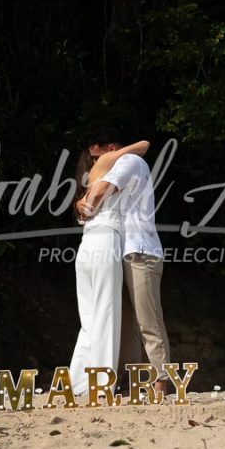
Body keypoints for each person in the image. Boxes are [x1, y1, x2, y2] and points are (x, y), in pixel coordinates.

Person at [80, 128, 171, 395]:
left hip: (140, 250)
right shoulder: (122, 162)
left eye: (97, 158)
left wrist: (84, 206)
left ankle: (162, 380)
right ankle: (131, 380)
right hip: (121, 252)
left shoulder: (128, 162)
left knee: (148, 319)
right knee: (127, 323)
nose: (95, 165)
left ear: (110, 149)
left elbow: (100, 194)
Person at [68, 137, 150, 396]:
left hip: (86, 246)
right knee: (105, 313)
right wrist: (115, 152)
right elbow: (144, 145)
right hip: (105, 242)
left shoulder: (88, 177)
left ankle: (78, 383)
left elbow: (84, 209)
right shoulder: (110, 162)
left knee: (89, 318)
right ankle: (101, 385)